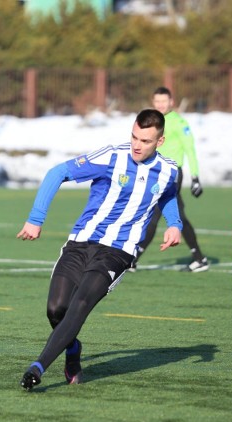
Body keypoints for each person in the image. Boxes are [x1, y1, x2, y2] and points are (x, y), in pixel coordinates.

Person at [16, 109, 183, 391]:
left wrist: (174, 223)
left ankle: (38, 366)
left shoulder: (169, 170)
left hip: (118, 251)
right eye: (133, 137)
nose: (137, 145)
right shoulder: (111, 157)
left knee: (80, 303)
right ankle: (72, 349)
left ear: (160, 141)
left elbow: (166, 194)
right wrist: (35, 218)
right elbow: (57, 172)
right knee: (57, 310)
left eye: (144, 140)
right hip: (81, 242)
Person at [131, 86, 208, 272]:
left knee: (154, 213)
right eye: (157, 101)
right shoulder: (152, 122)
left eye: (163, 102)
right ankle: (199, 258)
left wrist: (195, 177)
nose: (160, 105)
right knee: (177, 214)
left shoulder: (179, 123)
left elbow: (190, 149)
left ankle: (133, 258)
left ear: (171, 102)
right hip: (154, 172)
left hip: (172, 174)